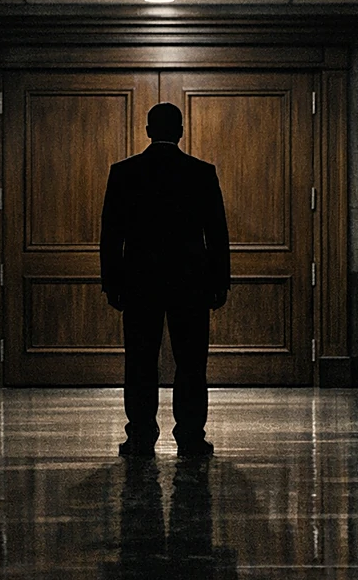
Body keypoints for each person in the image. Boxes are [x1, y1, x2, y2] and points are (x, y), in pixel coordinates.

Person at [100, 102, 231, 458]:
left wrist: (111, 282)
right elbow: (216, 233)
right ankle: (190, 435)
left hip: (140, 282)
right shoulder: (201, 173)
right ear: (181, 131)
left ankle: (140, 435)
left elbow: (111, 234)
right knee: (191, 362)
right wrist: (220, 281)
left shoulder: (124, 173)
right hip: (190, 283)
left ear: (147, 130)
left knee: (140, 361)